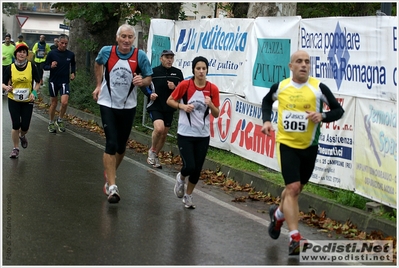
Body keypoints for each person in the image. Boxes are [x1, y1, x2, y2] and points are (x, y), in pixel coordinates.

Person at [261, 50, 345, 255]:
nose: (304, 65)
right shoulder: (281, 87)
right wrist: (266, 121)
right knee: (293, 187)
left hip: (309, 147)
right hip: (286, 144)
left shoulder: (318, 88)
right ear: (291, 66)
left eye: (307, 62)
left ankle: (279, 214)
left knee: (295, 191)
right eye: (299, 62)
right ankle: (294, 238)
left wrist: (322, 115)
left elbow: (338, 110)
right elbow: (266, 101)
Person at [92, 24, 153, 204]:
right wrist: (98, 85)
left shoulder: (139, 56)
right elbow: (97, 64)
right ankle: (112, 186)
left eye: (130, 37)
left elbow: (149, 77)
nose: (127, 40)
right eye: (123, 36)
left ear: (133, 40)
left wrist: (142, 80)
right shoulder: (106, 52)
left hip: (128, 105)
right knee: (111, 143)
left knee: (121, 146)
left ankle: (110, 173)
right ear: (117, 38)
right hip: (107, 103)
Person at [166, 56, 220, 209]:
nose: (201, 71)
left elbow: (216, 114)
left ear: (207, 70)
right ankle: (181, 177)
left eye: (204, 68)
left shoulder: (212, 89)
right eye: (198, 68)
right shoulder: (185, 85)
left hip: (203, 135)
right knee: (189, 166)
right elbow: (170, 100)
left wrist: (211, 105)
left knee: (197, 169)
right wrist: (183, 107)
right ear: (193, 70)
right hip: (185, 133)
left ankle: (188, 196)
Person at [141, 49, 184, 169]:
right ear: (161, 58)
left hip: (169, 107)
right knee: (159, 129)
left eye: (171, 57)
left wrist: (174, 87)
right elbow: (144, 85)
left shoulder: (178, 73)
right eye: (167, 57)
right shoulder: (153, 72)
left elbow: (183, 91)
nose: (169, 60)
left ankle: (155, 154)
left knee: (164, 134)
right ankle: (152, 151)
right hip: (155, 106)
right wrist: (149, 94)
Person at [2, 43, 40, 158]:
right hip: (13, 99)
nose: (22, 54)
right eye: (19, 52)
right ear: (16, 54)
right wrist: (6, 87)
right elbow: (2, 83)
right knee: (16, 125)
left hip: (28, 100)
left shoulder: (32, 66)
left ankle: (22, 136)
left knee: (25, 126)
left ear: (26, 55)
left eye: (24, 52)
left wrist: (34, 92)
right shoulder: (10, 67)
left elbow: (38, 82)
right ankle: (15, 148)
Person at [43, 34, 76, 133]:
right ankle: (51, 122)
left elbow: (73, 64)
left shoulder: (70, 54)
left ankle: (60, 119)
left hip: (64, 81)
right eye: (62, 43)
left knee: (65, 102)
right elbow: (44, 66)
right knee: (54, 103)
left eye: (66, 43)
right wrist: (50, 66)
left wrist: (73, 73)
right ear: (58, 43)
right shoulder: (52, 54)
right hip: (54, 81)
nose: (64, 45)